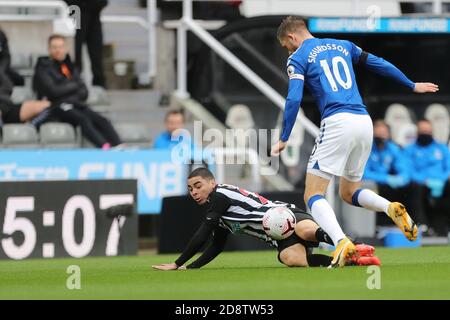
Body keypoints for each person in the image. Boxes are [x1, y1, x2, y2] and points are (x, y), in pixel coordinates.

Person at [271, 16, 438, 266]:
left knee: (313, 194)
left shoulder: (297, 57)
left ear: (292, 37)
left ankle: (340, 242)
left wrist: (284, 136)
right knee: (349, 192)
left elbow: (293, 99)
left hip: (337, 122)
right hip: (363, 121)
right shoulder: (343, 45)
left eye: (286, 45)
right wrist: (410, 84)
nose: (288, 49)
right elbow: (378, 63)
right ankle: (389, 206)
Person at [152, 168, 380, 271]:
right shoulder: (217, 211)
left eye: (198, 186)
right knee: (291, 259)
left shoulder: (219, 196)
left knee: (307, 230)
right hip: (277, 237)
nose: (193, 192)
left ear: (212, 183)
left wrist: (177, 263)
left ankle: (350, 245)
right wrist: (191, 268)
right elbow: (217, 245)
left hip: (284, 215)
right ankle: (349, 261)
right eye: (190, 188)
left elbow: (202, 233)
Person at [33, 34, 122, 149]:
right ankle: (105, 147)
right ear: (49, 49)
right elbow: (53, 92)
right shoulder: (43, 68)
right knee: (83, 119)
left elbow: (84, 92)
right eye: (54, 47)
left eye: (60, 47)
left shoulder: (70, 66)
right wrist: (74, 86)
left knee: (101, 119)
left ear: (65, 48)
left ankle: (120, 145)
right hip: (55, 107)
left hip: (75, 104)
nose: (58, 50)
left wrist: (68, 88)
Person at [403, 119, 450, 236]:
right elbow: (407, 170)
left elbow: (448, 168)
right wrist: (424, 181)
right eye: (423, 131)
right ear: (417, 132)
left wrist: (441, 180)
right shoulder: (409, 150)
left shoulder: (441, 148)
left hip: (441, 184)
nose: (426, 134)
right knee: (416, 188)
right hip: (420, 185)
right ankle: (422, 226)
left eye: (428, 131)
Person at [363, 120, 410, 225]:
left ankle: (405, 223)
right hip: (371, 185)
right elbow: (364, 174)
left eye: (383, 134)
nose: (380, 138)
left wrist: (401, 179)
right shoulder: (366, 148)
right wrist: (387, 178)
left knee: (408, 189)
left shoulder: (393, 148)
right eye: (377, 134)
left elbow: (404, 171)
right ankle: (377, 225)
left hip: (389, 188)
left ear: (388, 135)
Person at [64, 0, 108, 87]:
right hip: (75, 9)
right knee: (75, 49)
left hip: (94, 9)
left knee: (96, 50)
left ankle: (99, 83)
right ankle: (74, 82)